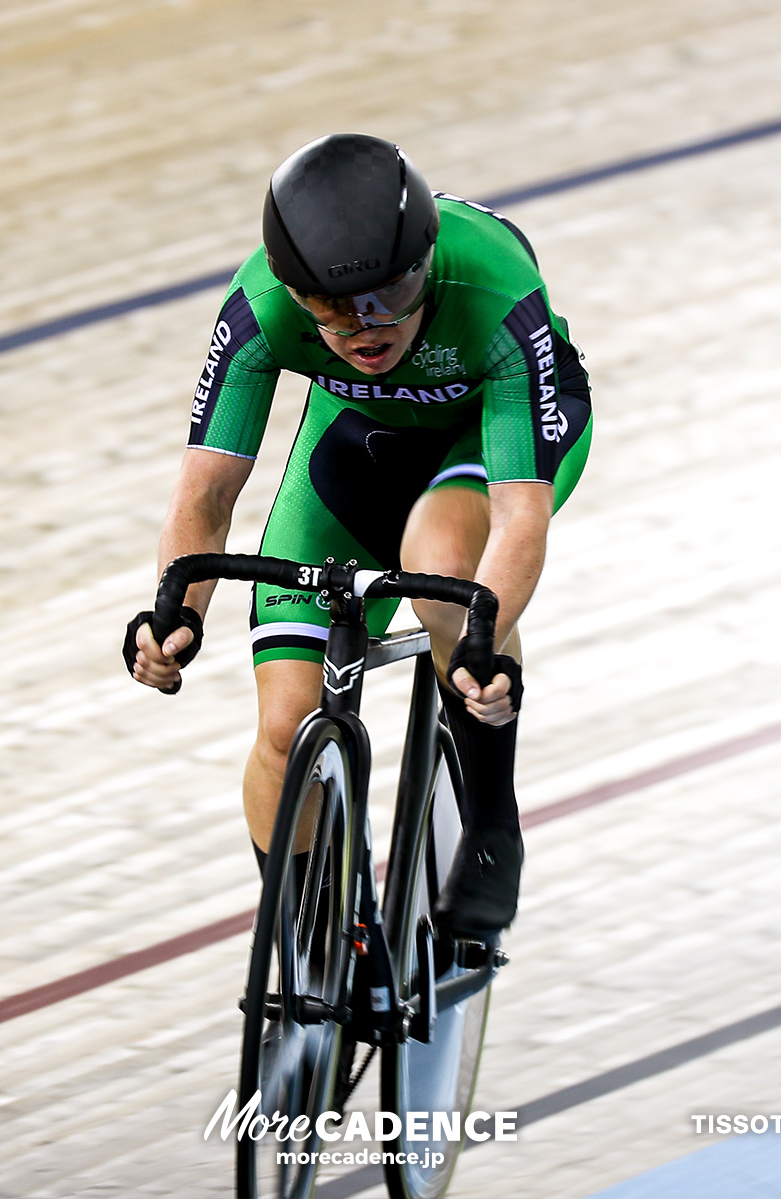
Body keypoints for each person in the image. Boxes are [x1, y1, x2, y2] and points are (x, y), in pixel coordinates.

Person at [123, 133, 591, 936]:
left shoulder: (493, 288)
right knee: (283, 730)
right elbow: (206, 492)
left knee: (440, 561)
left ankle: (489, 825)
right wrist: (177, 610)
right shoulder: (260, 307)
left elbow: (520, 515)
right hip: (359, 446)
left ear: (426, 260)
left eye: (387, 294)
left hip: (484, 440)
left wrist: (485, 636)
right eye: (331, 308)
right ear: (292, 289)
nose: (364, 326)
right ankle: (324, 949)